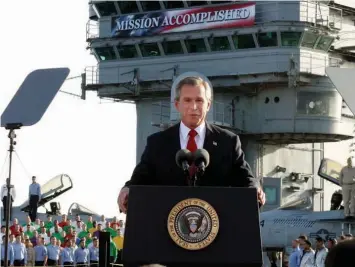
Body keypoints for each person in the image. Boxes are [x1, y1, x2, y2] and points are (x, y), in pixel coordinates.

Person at [118, 76, 265, 213]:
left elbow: (245, 178)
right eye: (187, 100)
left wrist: (256, 188)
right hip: (168, 228)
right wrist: (127, 189)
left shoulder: (228, 141)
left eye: (199, 100)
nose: (193, 107)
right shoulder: (157, 143)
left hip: (218, 228)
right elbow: (140, 179)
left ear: (208, 105)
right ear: (177, 104)